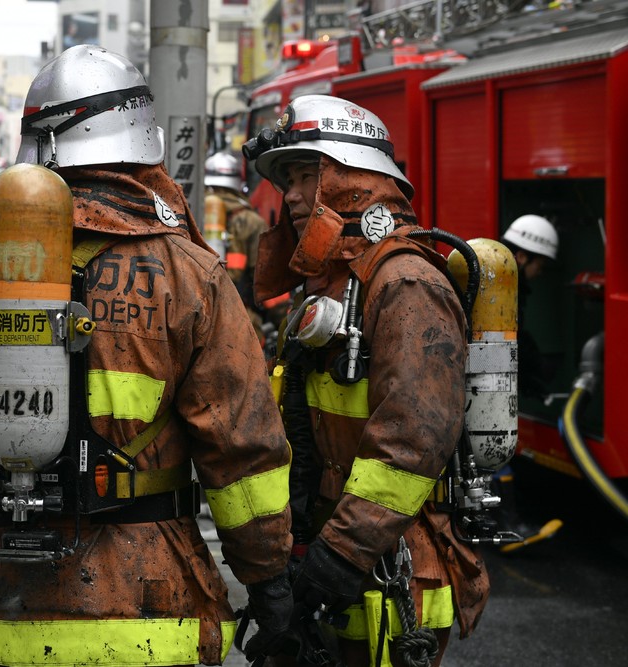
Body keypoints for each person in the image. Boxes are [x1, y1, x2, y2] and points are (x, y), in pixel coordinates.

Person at [0, 45, 294, 667]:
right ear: (139, 140)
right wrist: (267, 579)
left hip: (11, 606)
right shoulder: (190, 274)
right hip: (152, 610)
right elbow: (241, 449)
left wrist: (31, 487)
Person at [248, 95, 488, 666]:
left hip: (391, 574)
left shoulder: (407, 284)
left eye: (310, 175)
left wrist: (341, 553)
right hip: (333, 557)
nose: (295, 196)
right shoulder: (327, 286)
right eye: (289, 179)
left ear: (356, 180)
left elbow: (413, 439)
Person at [494, 214, 564, 551]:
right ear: (522, 256)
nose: (541, 273)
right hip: (481, 377)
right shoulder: (501, 282)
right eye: (541, 265)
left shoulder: (501, 277)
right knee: (490, 449)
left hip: (484, 374)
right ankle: (506, 526)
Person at [204, 151, 270, 341]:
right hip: (239, 319)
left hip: (195, 314)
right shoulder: (252, 221)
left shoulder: (191, 210)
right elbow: (263, 278)